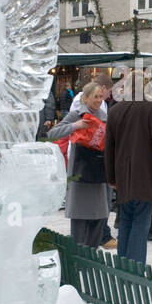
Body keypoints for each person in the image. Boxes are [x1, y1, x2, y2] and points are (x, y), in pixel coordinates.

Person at [104, 74, 152, 264]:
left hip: (122, 176)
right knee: (140, 223)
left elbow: (109, 147)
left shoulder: (115, 110)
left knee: (126, 221)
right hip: (144, 175)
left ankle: (123, 266)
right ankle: (135, 269)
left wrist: (111, 177)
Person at [48, 81, 112, 249]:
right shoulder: (77, 115)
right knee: (79, 224)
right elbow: (52, 133)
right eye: (95, 97)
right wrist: (75, 126)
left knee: (98, 221)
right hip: (81, 175)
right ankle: (78, 262)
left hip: (98, 177)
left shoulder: (105, 117)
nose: (98, 100)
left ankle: (91, 261)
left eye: (100, 97)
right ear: (85, 98)